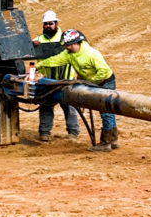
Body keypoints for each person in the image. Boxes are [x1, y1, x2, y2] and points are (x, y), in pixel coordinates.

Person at [46, 29, 119, 152]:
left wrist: (90, 83)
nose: (66, 48)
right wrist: (37, 67)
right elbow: (54, 60)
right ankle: (113, 140)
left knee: (106, 110)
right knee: (107, 110)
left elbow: (104, 71)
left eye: (67, 45)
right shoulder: (69, 54)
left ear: (75, 43)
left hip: (105, 81)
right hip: (93, 81)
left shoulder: (91, 54)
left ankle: (106, 143)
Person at [33, 10, 80, 142]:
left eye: (51, 23)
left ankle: (73, 132)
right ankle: (44, 132)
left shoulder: (65, 38)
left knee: (69, 107)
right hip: (49, 81)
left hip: (66, 80)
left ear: (56, 23)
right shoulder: (38, 40)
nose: (48, 26)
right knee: (46, 106)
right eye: (46, 23)